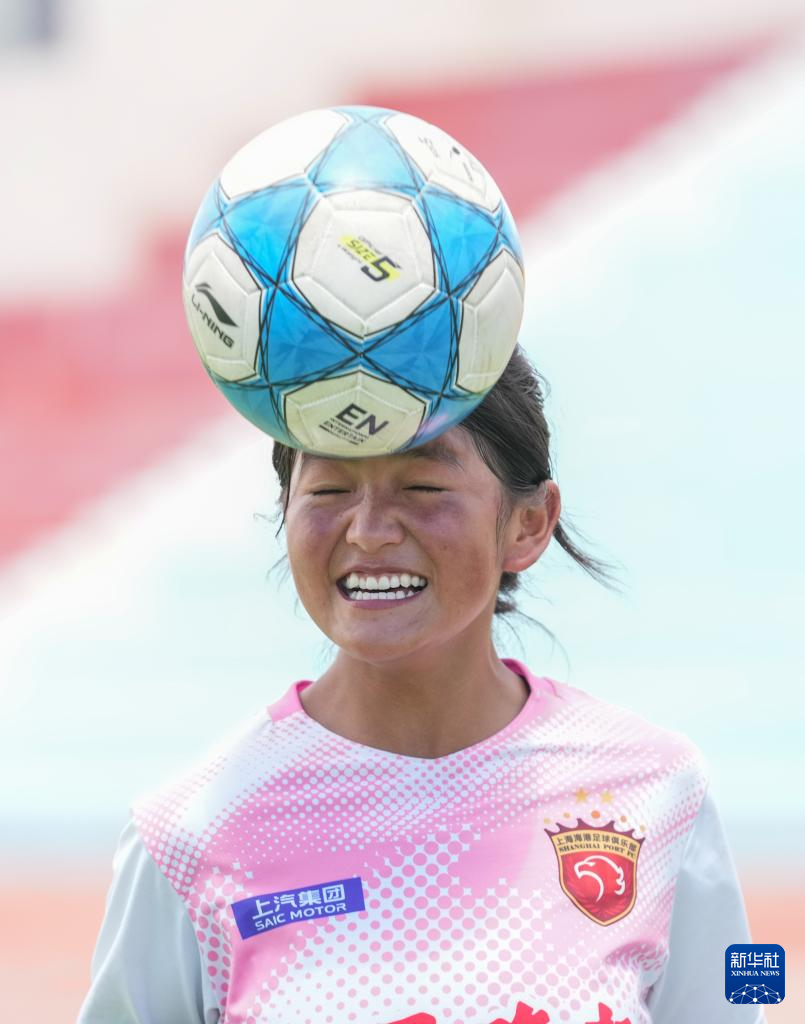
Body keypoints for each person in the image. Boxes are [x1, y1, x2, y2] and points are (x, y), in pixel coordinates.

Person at [77, 347, 764, 1024]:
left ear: (529, 523)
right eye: (329, 489)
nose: (369, 532)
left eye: (422, 487)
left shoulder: (663, 786)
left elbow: (741, 1006)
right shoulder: (184, 834)